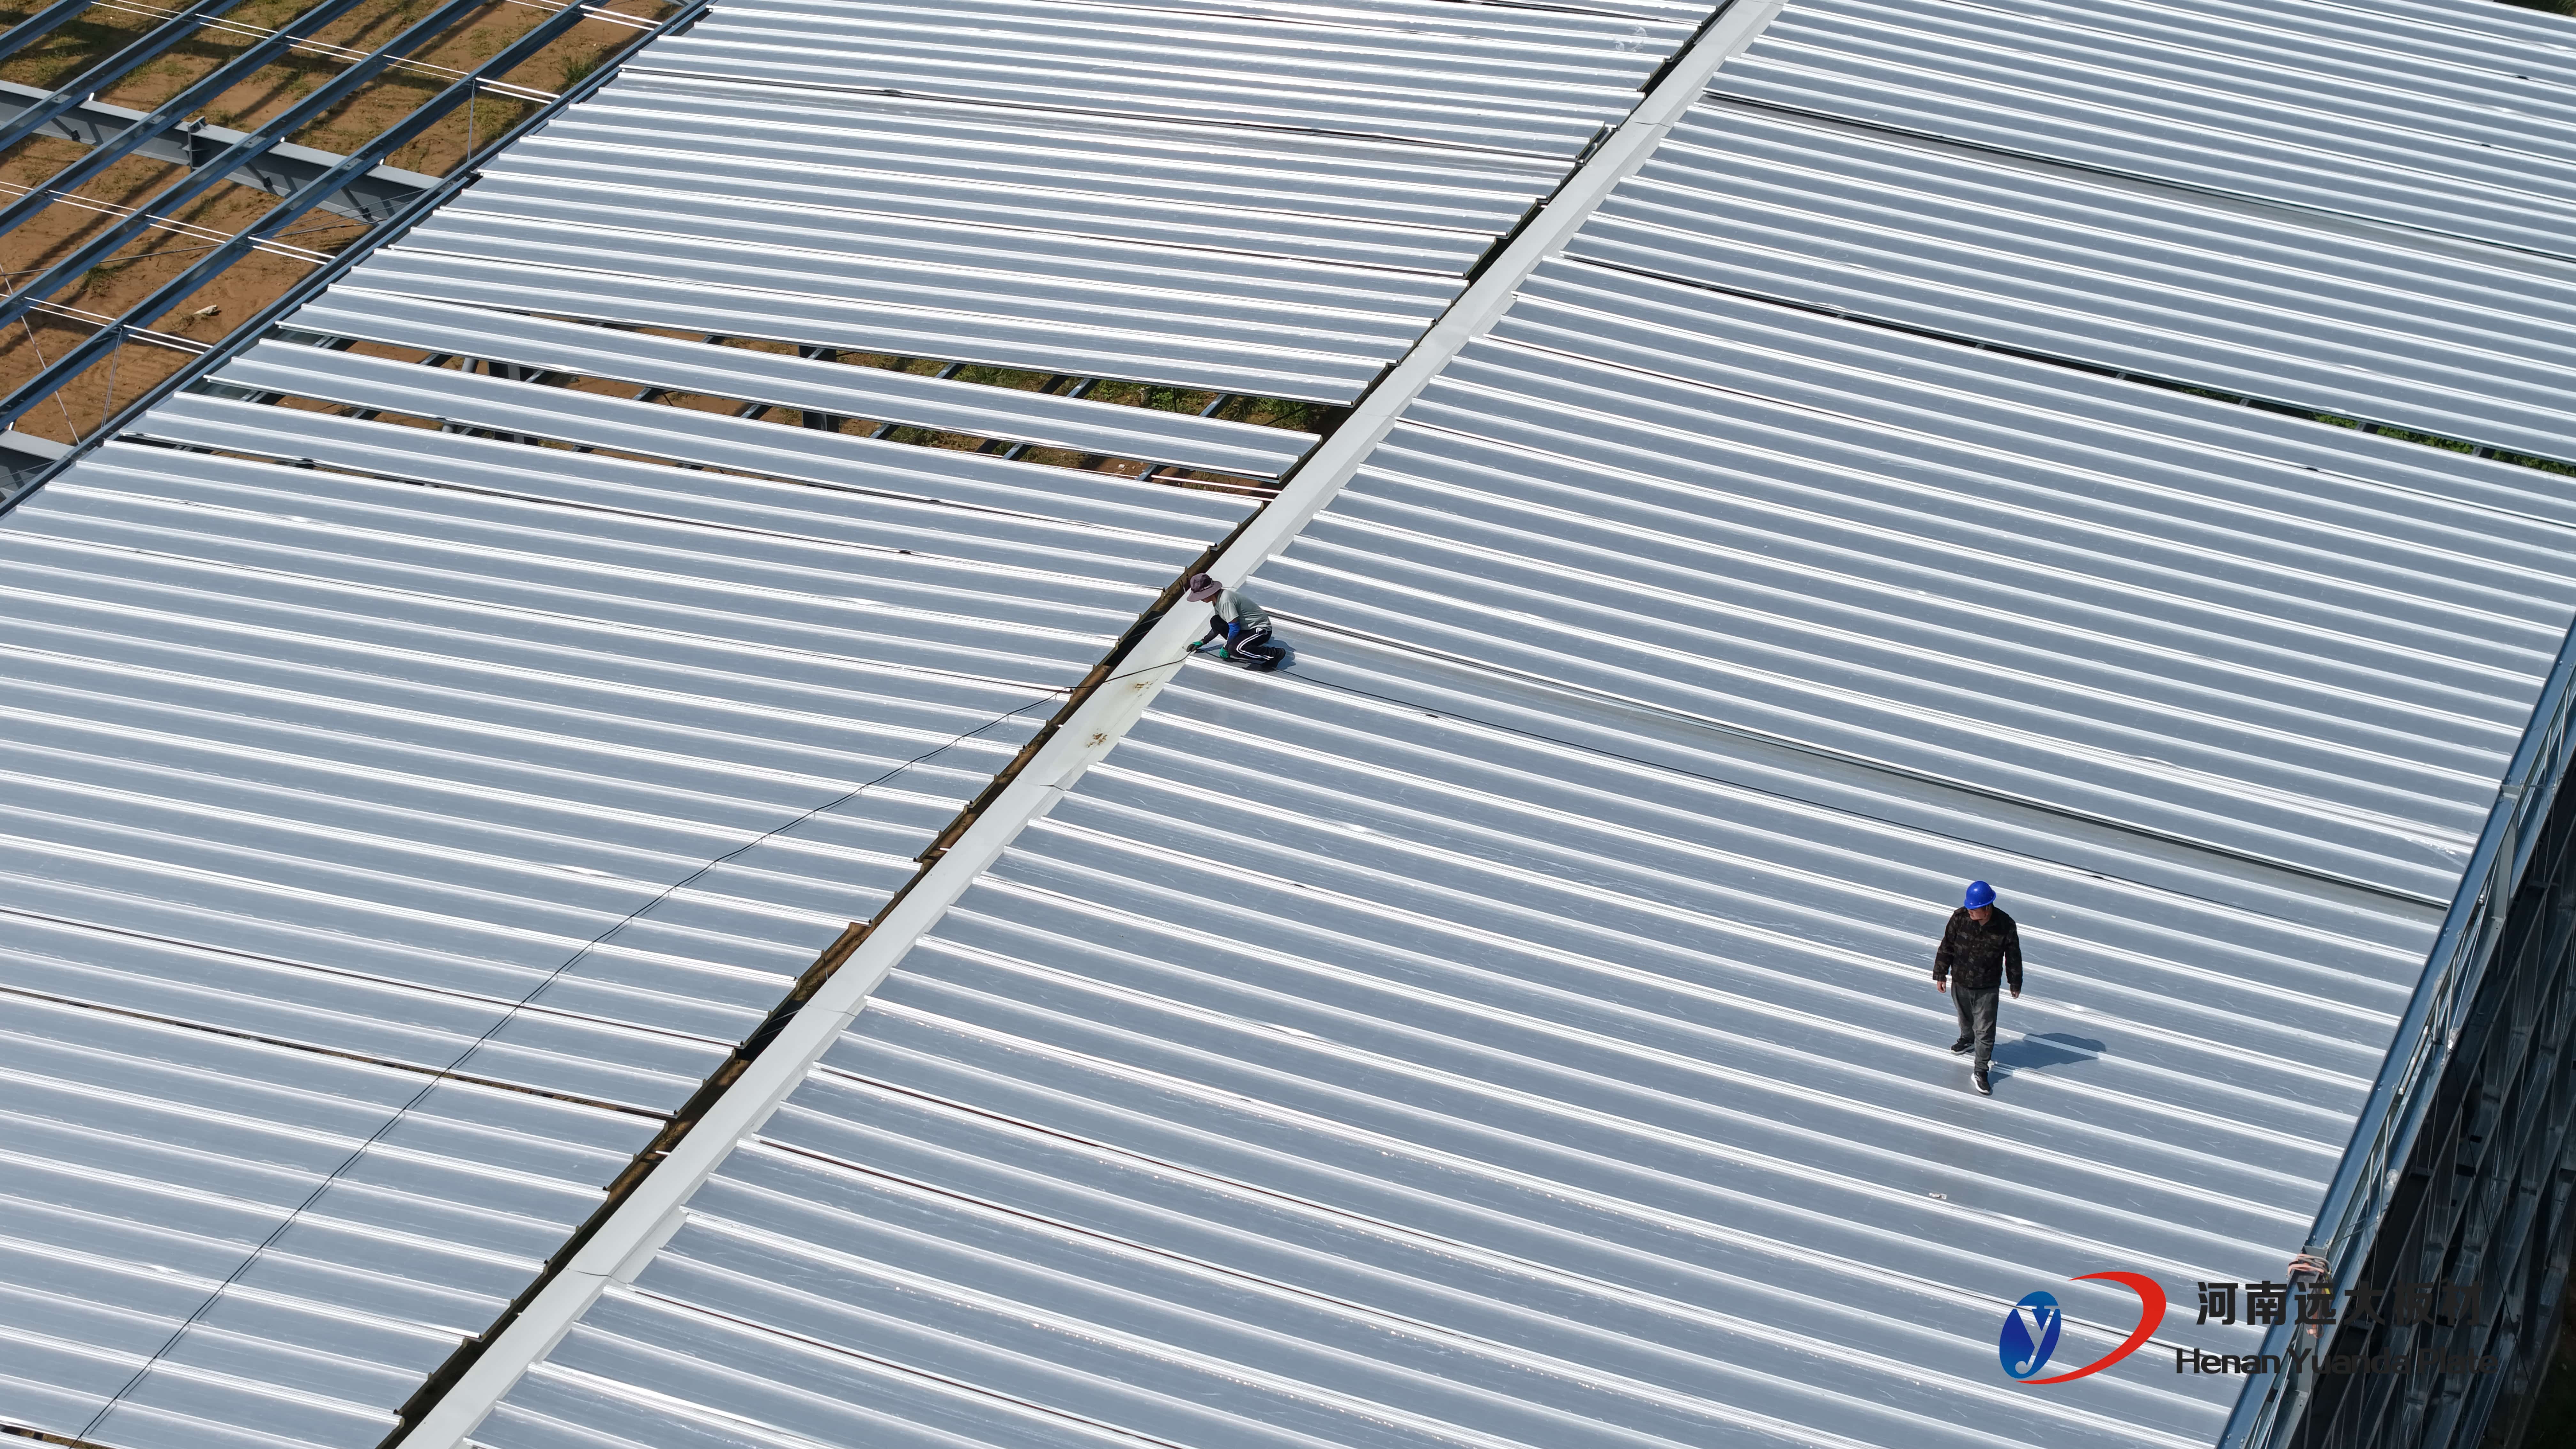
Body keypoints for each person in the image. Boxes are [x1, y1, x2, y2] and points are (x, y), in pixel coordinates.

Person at [1932, 879, 2021, 1096]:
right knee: (1965, 1019)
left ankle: (1981, 1070)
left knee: (1985, 1030)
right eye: (1969, 907)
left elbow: (2014, 957)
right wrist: (1941, 974)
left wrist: (2015, 982)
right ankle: (1967, 1040)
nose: (1971, 911)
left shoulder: (2005, 925)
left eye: (1975, 908)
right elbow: (1947, 946)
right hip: (1960, 981)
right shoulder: (1960, 917)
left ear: (1988, 908)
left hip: (1987, 987)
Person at [1185, 572, 1283, 671]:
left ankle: (1274, 654)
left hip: (1260, 630)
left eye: (1201, 596)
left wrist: (1226, 647)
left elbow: (1235, 627)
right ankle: (1243, 644)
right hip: (1244, 629)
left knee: (1235, 649)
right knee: (1216, 621)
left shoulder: (1226, 600)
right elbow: (1218, 627)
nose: (1200, 599)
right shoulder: (1216, 601)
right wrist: (1203, 642)